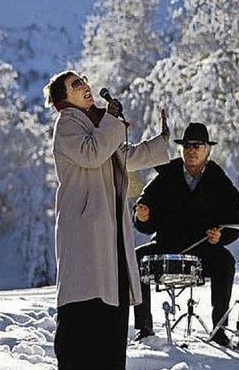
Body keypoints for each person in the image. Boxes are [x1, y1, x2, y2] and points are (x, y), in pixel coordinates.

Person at [45, 70, 170, 370]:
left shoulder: (98, 125)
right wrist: (112, 121)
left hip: (108, 229)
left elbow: (125, 156)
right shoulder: (67, 125)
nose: (85, 86)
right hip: (84, 229)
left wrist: (162, 140)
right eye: (76, 85)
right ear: (64, 99)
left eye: (84, 80)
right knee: (84, 306)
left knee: (110, 307)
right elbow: (92, 153)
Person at [132, 122, 239, 347]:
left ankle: (219, 330)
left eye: (198, 146)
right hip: (166, 246)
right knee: (135, 258)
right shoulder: (165, 177)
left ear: (207, 150)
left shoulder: (221, 182)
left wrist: (220, 237)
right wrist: (142, 216)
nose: (192, 150)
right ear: (181, 149)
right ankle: (144, 328)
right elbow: (144, 213)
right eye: (188, 146)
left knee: (226, 261)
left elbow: (233, 224)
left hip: (204, 252)